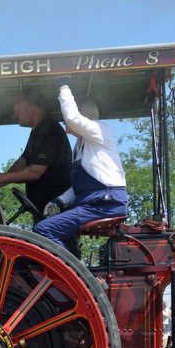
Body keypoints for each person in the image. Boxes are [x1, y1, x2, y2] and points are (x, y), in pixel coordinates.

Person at [32, 81, 127, 249]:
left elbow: (72, 118)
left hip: (105, 204)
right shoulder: (80, 146)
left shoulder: (100, 130)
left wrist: (63, 86)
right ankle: (69, 263)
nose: (63, 122)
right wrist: (59, 202)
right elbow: (77, 187)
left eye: (65, 117)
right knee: (50, 225)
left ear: (83, 116)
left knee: (43, 229)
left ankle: (65, 272)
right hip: (94, 203)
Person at [0, 88, 71, 220]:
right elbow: (23, 161)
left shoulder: (48, 130)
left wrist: (1, 178)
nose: (14, 115)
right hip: (44, 209)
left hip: (55, 209)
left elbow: (35, 172)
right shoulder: (38, 131)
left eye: (18, 112)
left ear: (32, 109)